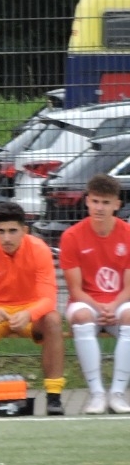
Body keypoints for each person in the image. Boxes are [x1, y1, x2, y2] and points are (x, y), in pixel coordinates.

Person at [0, 199, 65, 415]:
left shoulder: (40, 250)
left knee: (53, 320)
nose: (6, 238)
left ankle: (54, 396)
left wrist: (29, 314)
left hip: (29, 312)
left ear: (25, 230)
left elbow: (48, 298)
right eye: (1, 231)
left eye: (12, 231)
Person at [58, 174, 130, 414]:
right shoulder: (72, 236)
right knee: (81, 317)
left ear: (117, 204)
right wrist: (100, 308)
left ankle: (117, 393)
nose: (99, 208)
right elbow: (75, 290)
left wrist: (113, 306)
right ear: (87, 201)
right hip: (86, 302)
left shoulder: (128, 234)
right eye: (95, 201)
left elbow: (129, 287)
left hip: (119, 302)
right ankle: (97, 393)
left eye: (106, 202)